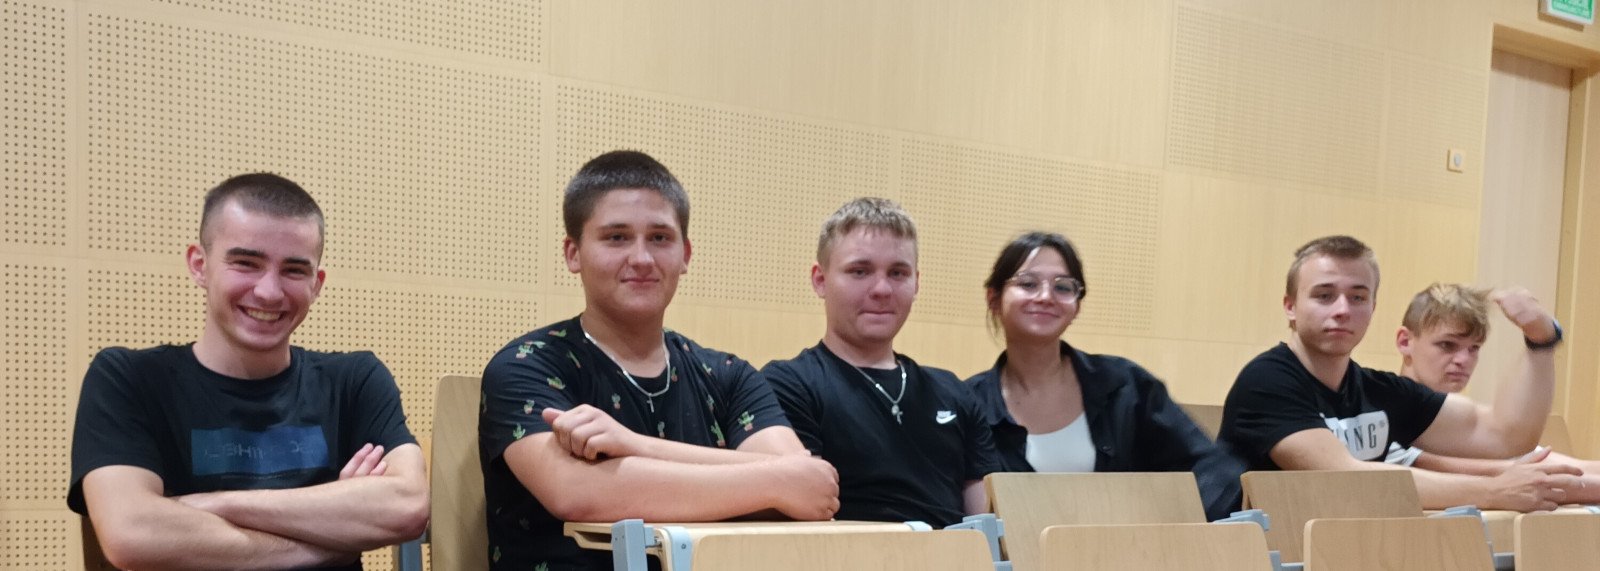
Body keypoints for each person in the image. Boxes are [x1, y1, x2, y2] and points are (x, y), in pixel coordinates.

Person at [479, 150, 839, 571]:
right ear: (573, 253)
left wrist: (633, 445)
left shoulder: (728, 375)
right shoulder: (527, 365)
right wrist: (774, 481)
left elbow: (811, 491)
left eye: (660, 238)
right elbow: (578, 493)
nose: (642, 259)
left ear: (685, 254)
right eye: (616, 237)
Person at [68, 173, 429, 570]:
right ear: (200, 266)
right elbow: (133, 534)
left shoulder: (355, 380)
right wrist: (336, 533)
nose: (269, 291)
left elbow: (408, 506)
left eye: (294, 270)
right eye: (246, 263)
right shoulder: (127, 379)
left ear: (317, 284)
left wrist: (214, 505)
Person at [1218, 235, 1582, 511]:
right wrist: (1493, 492)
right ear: (1290, 307)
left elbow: (1507, 435)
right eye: (1324, 295)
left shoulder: (1379, 390)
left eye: (1358, 297)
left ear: (1373, 307)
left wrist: (1541, 341)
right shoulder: (1266, 381)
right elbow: (1340, 478)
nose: (1343, 309)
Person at [965, 231, 1245, 520]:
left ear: (1076, 306)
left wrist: (1165, 529)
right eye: (1028, 284)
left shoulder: (1126, 385)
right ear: (993, 298)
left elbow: (1212, 468)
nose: (1046, 296)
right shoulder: (966, 404)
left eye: (1063, 287)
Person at [763, 197, 1001, 527]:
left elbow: (987, 528)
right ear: (820, 280)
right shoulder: (787, 386)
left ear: (917, 282)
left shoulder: (955, 393)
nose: (882, 289)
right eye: (859, 271)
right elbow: (805, 520)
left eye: (898, 273)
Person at [1388, 283, 1599, 503]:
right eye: (1447, 345)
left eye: (1474, 348)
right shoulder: (1385, 410)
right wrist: (1542, 339)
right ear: (1405, 341)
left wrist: (1542, 338)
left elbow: (1573, 469)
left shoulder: (1464, 421)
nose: (1463, 360)